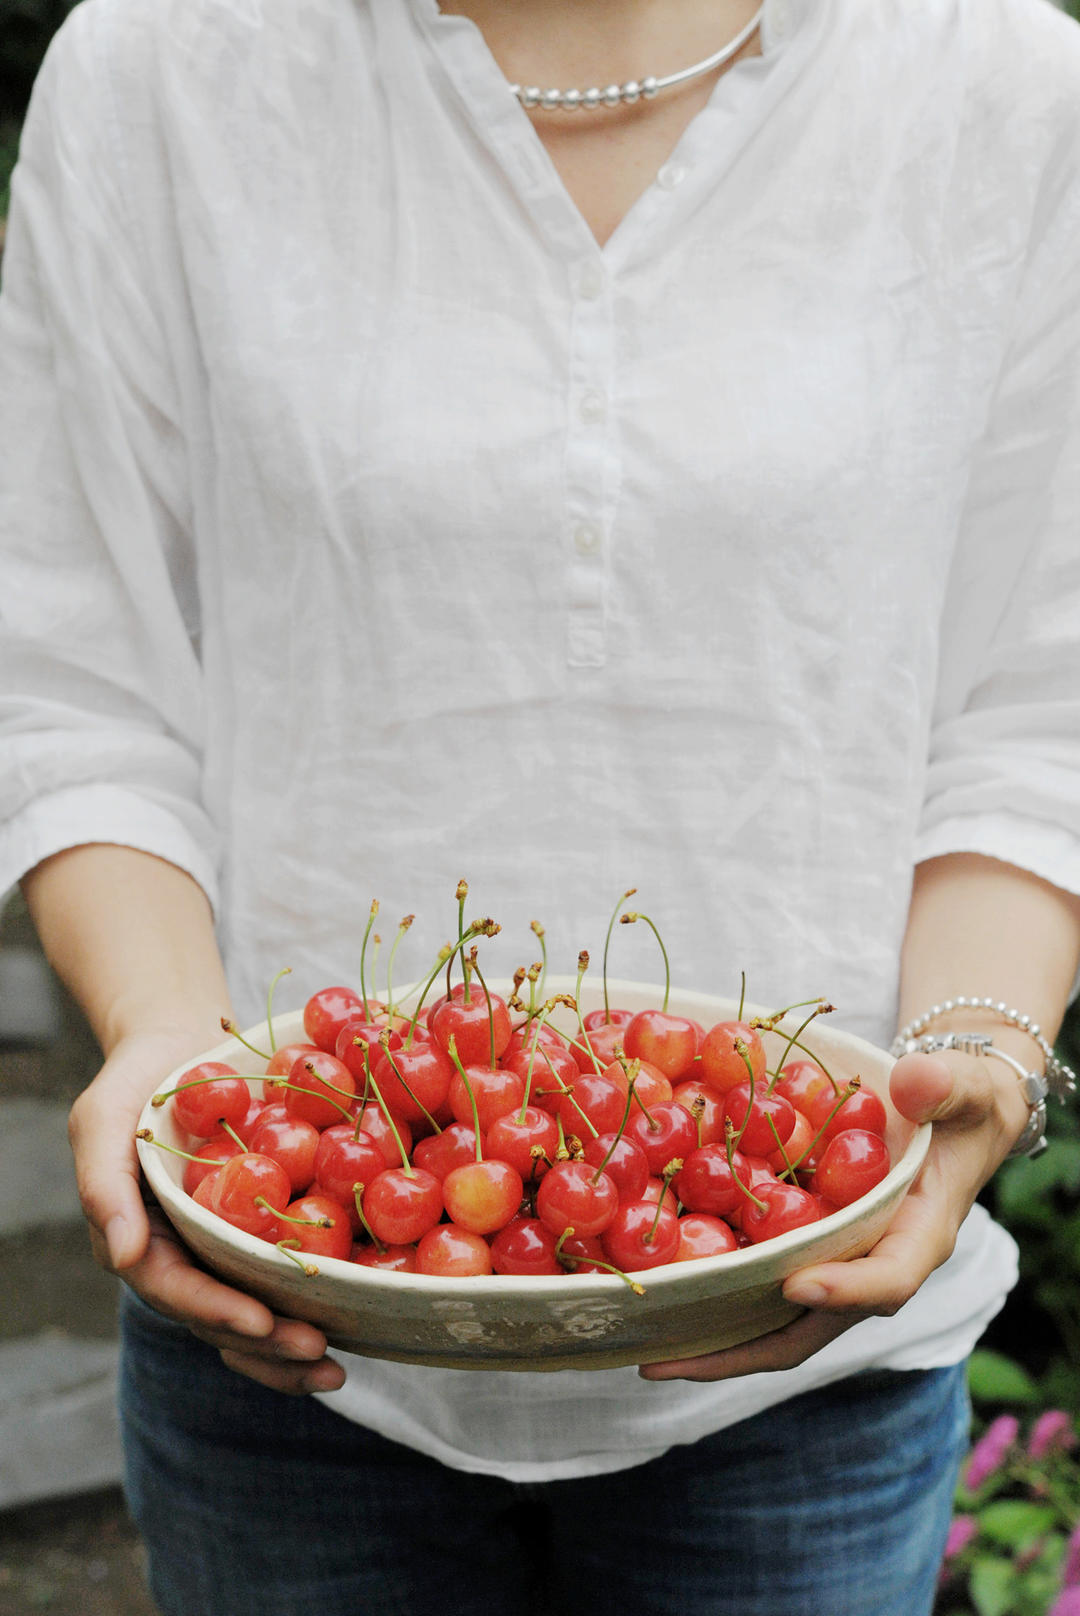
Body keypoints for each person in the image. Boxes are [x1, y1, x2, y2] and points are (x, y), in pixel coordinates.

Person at [2, 0, 1080, 1611]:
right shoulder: (163, 62)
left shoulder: (1004, 88)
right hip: (295, 1333)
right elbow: (81, 675)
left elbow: (1035, 696)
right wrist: (165, 1037)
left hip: (808, 1349)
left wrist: (979, 1057)